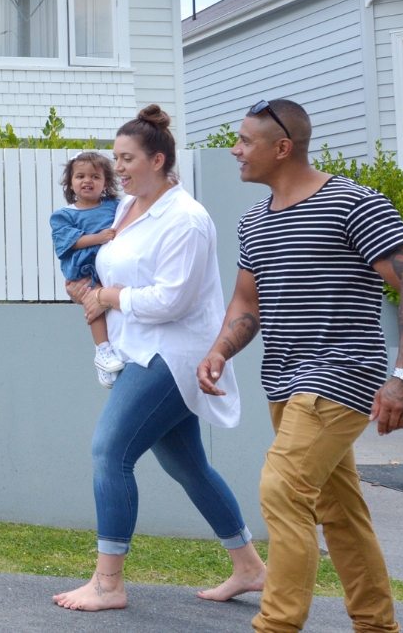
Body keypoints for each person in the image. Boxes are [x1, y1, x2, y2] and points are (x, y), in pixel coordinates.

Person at [197, 99, 403, 633]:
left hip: (341, 373)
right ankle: (377, 625)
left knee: (281, 489)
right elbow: (248, 303)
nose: (235, 149)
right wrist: (218, 350)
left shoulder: (356, 204)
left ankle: (276, 625)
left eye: (245, 141)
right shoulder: (254, 220)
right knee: (341, 512)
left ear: (282, 148)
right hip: (283, 380)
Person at [53, 105, 267, 612]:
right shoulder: (127, 209)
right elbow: (110, 265)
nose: (118, 169)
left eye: (127, 159)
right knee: (188, 466)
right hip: (139, 351)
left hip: (173, 356)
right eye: (116, 159)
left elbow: (173, 300)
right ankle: (250, 567)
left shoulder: (186, 220)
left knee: (110, 451)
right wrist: (88, 288)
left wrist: (107, 298)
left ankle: (108, 583)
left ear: (158, 159)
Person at [49, 152, 126, 388]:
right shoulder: (64, 215)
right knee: (95, 304)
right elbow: (67, 242)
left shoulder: (116, 206)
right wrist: (98, 238)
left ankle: (110, 359)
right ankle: (102, 350)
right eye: (80, 176)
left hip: (111, 268)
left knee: (112, 308)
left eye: (95, 176)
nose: (87, 180)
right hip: (84, 268)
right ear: (70, 182)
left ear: (105, 182)